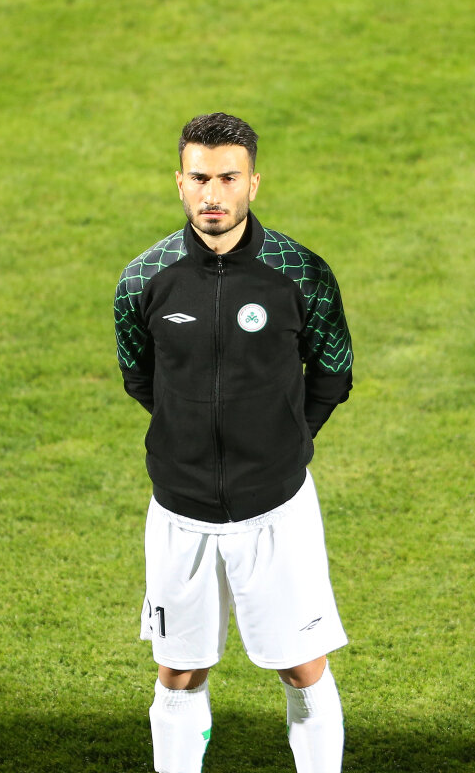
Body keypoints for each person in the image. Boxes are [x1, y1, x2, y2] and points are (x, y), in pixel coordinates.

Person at [114, 112, 354, 773]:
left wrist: (284, 438)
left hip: (276, 509)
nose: (212, 194)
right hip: (179, 512)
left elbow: (333, 373)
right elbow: (139, 376)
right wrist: (188, 431)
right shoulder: (143, 278)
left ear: (253, 182)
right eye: (199, 179)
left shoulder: (301, 272)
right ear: (180, 182)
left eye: (227, 178)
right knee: (178, 671)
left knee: (302, 667)